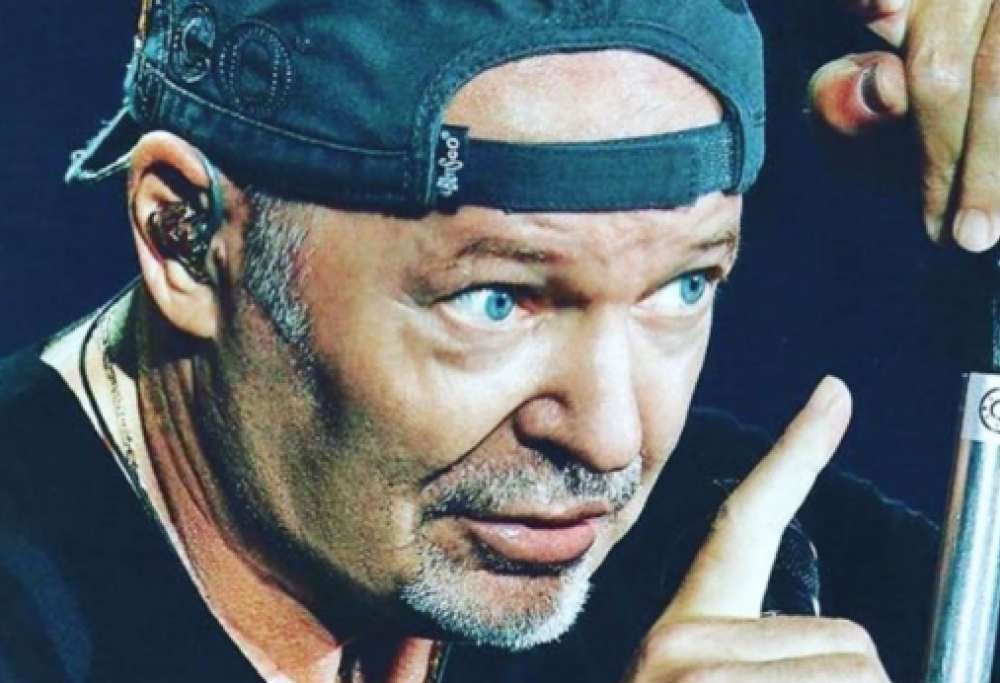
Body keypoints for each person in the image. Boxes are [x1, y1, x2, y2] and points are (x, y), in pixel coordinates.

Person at [0, 1, 996, 682]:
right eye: (496, 299)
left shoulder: (747, 571)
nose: (609, 437)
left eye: (683, 286)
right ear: (189, 238)